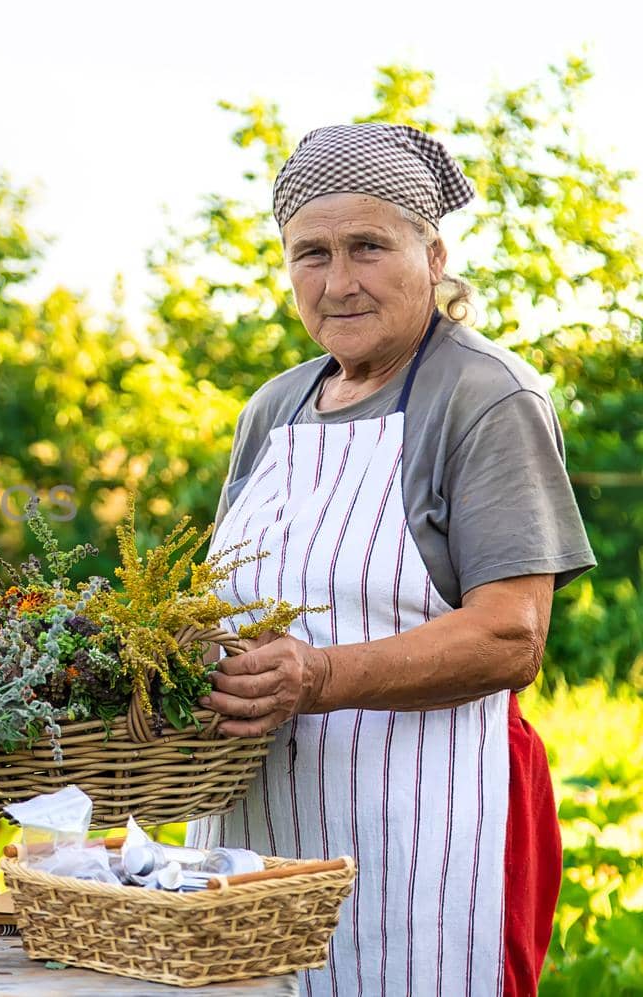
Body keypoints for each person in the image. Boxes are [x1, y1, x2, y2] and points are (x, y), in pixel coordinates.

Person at [184, 123, 596, 996]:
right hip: (259, 827)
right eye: (311, 253)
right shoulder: (275, 406)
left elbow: (509, 637)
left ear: (434, 255)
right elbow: (210, 606)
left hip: (435, 822)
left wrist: (318, 677)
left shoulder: (486, 395)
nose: (338, 282)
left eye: (368, 246)